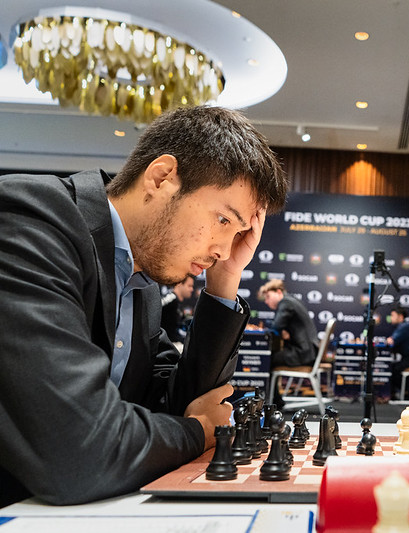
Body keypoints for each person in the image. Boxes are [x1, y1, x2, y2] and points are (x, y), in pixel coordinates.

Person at [0, 105, 288, 508]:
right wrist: (202, 431)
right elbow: (77, 450)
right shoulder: (33, 223)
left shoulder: (142, 279)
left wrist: (224, 280)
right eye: (224, 220)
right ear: (161, 177)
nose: (225, 249)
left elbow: (174, 403)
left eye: (238, 232)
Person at [258, 279, 319, 409]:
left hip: (303, 353)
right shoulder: (291, 301)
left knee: (266, 360)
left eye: (268, 296)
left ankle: (271, 403)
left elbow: (275, 327)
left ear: (278, 292)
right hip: (307, 351)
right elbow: (279, 329)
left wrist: (280, 330)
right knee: (270, 358)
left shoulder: (286, 303)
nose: (266, 301)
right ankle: (276, 401)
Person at [160, 275, 196, 344]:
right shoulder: (171, 298)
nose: (192, 289)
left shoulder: (178, 303)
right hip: (164, 346)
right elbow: (153, 309)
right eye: (189, 286)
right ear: (179, 284)